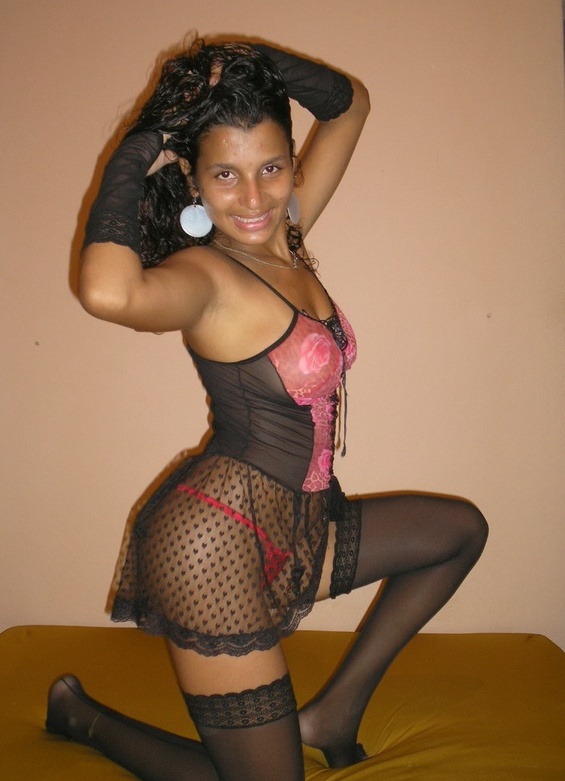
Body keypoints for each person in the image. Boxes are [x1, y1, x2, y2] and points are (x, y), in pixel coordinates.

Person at [45, 38, 488, 781]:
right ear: (192, 177)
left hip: (299, 521)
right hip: (211, 547)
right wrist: (146, 137)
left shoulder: (286, 234)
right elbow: (108, 291)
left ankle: (333, 712)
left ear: (289, 165)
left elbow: (350, 104)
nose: (253, 198)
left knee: (458, 532)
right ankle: (80, 717)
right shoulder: (205, 274)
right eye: (225, 174)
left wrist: (241, 62)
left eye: (271, 168)